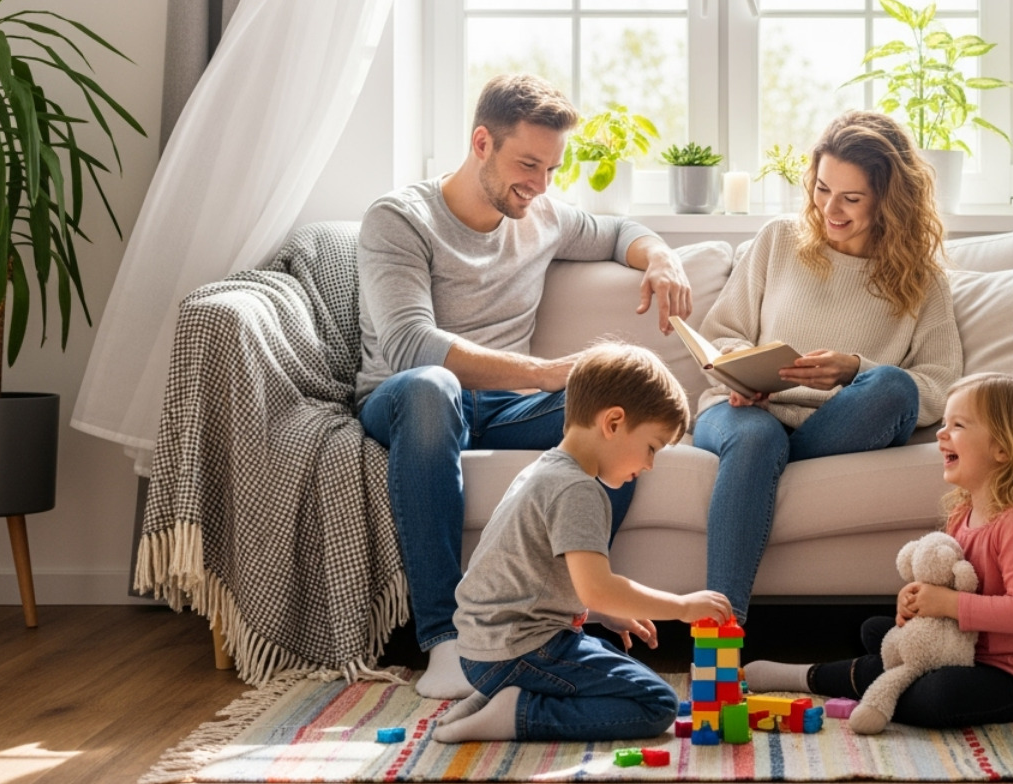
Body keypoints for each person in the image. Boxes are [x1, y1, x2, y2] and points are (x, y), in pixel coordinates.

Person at [355, 73, 692, 699]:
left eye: (551, 169)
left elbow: (619, 232)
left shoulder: (543, 216)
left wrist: (664, 258)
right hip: (409, 400)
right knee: (432, 387)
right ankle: (446, 640)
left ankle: (569, 615)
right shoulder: (399, 219)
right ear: (482, 142)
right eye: (527, 164)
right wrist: (541, 373)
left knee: (612, 411)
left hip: (504, 409)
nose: (539, 185)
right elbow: (408, 345)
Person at [691, 109, 963, 621]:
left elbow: (940, 384)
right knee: (757, 439)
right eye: (821, 189)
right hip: (743, 413)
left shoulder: (923, 281)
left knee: (891, 386)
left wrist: (854, 369)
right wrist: (740, 371)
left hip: (840, 426)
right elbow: (722, 332)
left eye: (851, 198)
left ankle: (769, 468)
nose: (829, 209)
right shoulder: (778, 240)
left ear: (889, 199)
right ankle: (719, 637)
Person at [432, 343, 733, 744]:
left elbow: (538, 575)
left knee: (610, 670)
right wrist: (682, 608)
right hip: (518, 649)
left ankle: (493, 696)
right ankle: (518, 713)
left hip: (480, 650)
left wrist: (604, 613)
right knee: (657, 703)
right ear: (613, 422)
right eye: (651, 447)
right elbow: (598, 588)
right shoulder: (577, 490)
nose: (649, 465)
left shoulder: (545, 470)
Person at [743, 373, 1013, 728]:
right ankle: (880, 677)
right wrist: (917, 600)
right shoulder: (963, 513)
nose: (941, 434)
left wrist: (947, 603)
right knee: (876, 630)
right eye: (944, 423)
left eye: (958, 425)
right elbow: (947, 583)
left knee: (938, 695)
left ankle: (810, 677)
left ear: (1003, 449)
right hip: (960, 651)